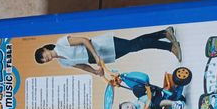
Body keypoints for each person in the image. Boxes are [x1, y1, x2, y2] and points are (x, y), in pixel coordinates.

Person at [34, 27, 182, 76]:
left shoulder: (61, 43)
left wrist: (95, 55)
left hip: (101, 46)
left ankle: (170, 47)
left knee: (134, 46)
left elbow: (84, 40)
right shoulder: (63, 63)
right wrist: (95, 72)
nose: (46, 58)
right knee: (134, 45)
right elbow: (82, 66)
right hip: (100, 58)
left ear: (45, 49)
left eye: (43, 55)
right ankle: (164, 33)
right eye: (44, 60)